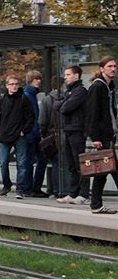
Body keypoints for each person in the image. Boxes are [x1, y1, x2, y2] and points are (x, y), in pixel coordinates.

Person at [85, 56, 117, 214]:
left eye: (115, 66)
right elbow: (92, 113)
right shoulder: (97, 87)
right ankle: (95, 204)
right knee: (108, 169)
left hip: (109, 134)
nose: (113, 69)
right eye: (110, 66)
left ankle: (96, 204)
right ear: (102, 68)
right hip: (102, 136)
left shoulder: (110, 86)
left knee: (103, 171)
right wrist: (95, 137)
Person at [0, 75, 34, 198]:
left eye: (16, 84)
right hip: (5, 135)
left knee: (21, 163)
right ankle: (6, 185)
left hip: (19, 135)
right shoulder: (2, 99)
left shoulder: (23, 99)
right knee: (3, 162)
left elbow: (31, 117)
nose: (14, 86)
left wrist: (24, 131)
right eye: (11, 84)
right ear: (7, 86)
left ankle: (20, 189)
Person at [57, 65, 89, 205]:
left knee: (79, 163)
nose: (65, 77)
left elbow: (65, 108)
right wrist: (63, 103)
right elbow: (57, 106)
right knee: (70, 164)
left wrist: (63, 104)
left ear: (77, 76)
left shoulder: (80, 91)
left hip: (77, 129)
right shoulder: (69, 92)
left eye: (68, 74)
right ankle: (73, 193)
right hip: (68, 129)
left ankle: (83, 194)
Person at [24, 70, 48, 198]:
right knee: (31, 161)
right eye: (36, 79)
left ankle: (33, 187)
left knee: (39, 160)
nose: (39, 81)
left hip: (34, 133)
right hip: (31, 134)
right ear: (30, 80)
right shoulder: (28, 95)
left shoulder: (33, 95)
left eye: (39, 79)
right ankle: (30, 188)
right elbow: (30, 116)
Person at [38, 75, 63, 198]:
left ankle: (57, 191)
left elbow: (42, 120)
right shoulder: (68, 96)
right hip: (67, 134)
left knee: (55, 163)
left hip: (52, 136)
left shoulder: (47, 100)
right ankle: (68, 190)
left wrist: (43, 135)